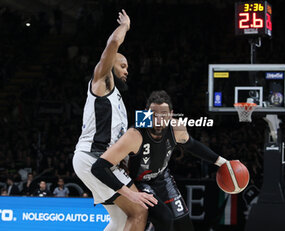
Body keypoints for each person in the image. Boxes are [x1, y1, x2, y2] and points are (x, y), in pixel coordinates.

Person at [91, 90, 229, 231]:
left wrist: (222, 162)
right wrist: (128, 192)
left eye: (163, 115)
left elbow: (192, 145)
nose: (158, 120)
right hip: (138, 182)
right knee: (165, 218)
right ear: (146, 113)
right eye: (154, 115)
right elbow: (98, 167)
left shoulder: (177, 128)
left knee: (184, 225)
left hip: (162, 177)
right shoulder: (135, 134)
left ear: (171, 114)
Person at [72, 9, 157, 231]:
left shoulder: (118, 101)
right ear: (111, 67)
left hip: (101, 160)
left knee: (120, 220)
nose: (127, 70)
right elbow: (111, 46)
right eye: (123, 66)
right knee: (139, 210)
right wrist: (125, 27)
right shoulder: (101, 83)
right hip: (93, 158)